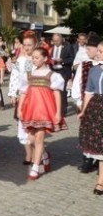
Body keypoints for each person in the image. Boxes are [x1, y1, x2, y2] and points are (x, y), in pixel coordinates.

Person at [17, 47, 67, 180]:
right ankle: (44, 156)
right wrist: (19, 108)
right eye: (33, 57)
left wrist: (58, 112)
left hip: (44, 110)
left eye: (37, 57)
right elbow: (23, 92)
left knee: (39, 139)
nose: (34, 60)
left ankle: (35, 167)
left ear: (45, 58)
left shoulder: (53, 75)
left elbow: (57, 94)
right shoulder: (29, 74)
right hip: (31, 110)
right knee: (31, 139)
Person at [71, 33, 100, 173]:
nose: (87, 52)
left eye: (89, 49)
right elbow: (78, 83)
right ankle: (87, 160)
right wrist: (79, 101)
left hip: (99, 105)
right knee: (86, 132)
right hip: (87, 103)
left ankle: (98, 159)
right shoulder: (85, 65)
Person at [77, 40, 103, 195]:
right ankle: (101, 180)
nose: (97, 53)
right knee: (99, 144)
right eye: (98, 50)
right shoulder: (94, 70)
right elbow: (89, 92)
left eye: (101, 51)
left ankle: (100, 181)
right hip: (96, 108)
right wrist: (83, 111)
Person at [8, 31, 37, 165]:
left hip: (36, 96)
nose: (26, 48)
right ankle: (28, 155)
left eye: (29, 45)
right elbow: (15, 76)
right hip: (24, 97)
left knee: (34, 127)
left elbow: (34, 77)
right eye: (24, 45)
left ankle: (38, 155)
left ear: (35, 45)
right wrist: (13, 93)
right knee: (23, 125)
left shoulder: (38, 59)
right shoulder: (20, 59)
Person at [49, 33, 74, 118]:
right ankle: (54, 108)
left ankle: (63, 111)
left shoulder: (68, 47)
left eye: (57, 40)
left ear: (61, 39)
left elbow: (72, 58)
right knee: (53, 90)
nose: (56, 42)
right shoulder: (51, 48)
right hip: (53, 71)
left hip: (63, 71)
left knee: (62, 91)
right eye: (54, 41)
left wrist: (62, 60)